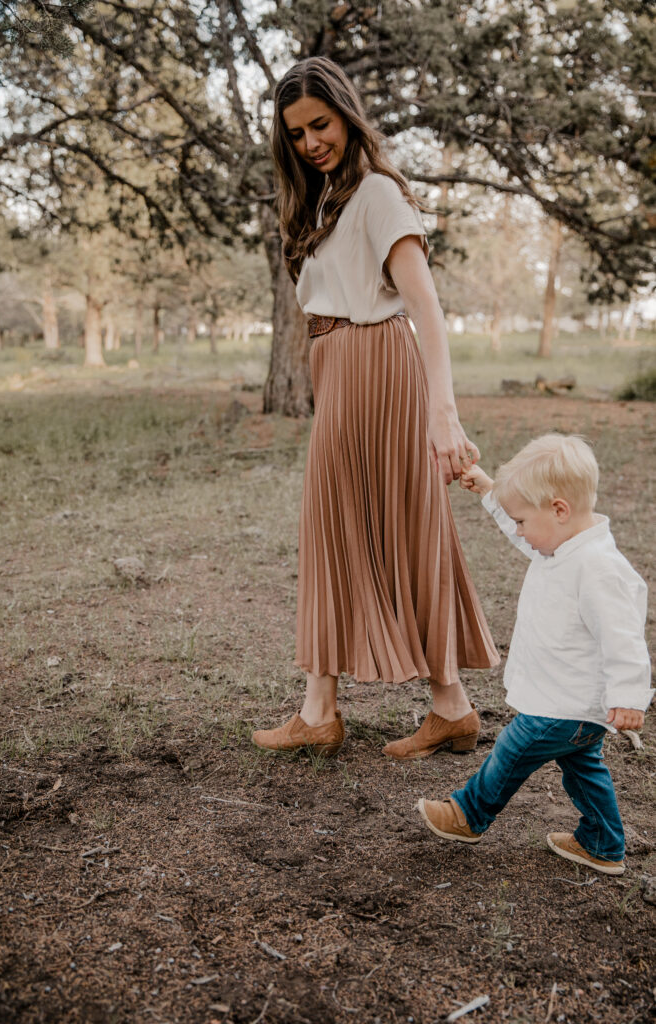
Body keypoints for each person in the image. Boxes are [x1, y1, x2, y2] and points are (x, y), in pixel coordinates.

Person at [252, 56, 499, 760]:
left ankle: (403, 704)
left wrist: (442, 412)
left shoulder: (378, 194)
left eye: (320, 125)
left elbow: (424, 305)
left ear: (346, 114)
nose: (310, 142)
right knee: (345, 523)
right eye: (295, 133)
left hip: (376, 363)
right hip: (339, 365)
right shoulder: (327, 197)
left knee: (394, 520)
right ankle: (361, 706)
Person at [416, 434, 652, 875]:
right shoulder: (560, 545)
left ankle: (469, 815)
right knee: (582, 769)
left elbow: (624, 639)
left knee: (511, 748)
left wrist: (629, 696)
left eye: (522, 520)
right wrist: (490, 492)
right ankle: (603, 843)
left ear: (559, 510)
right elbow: (528, 536)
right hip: (568, 700)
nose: (519, 530)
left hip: (566, 703)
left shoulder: (598, 568)